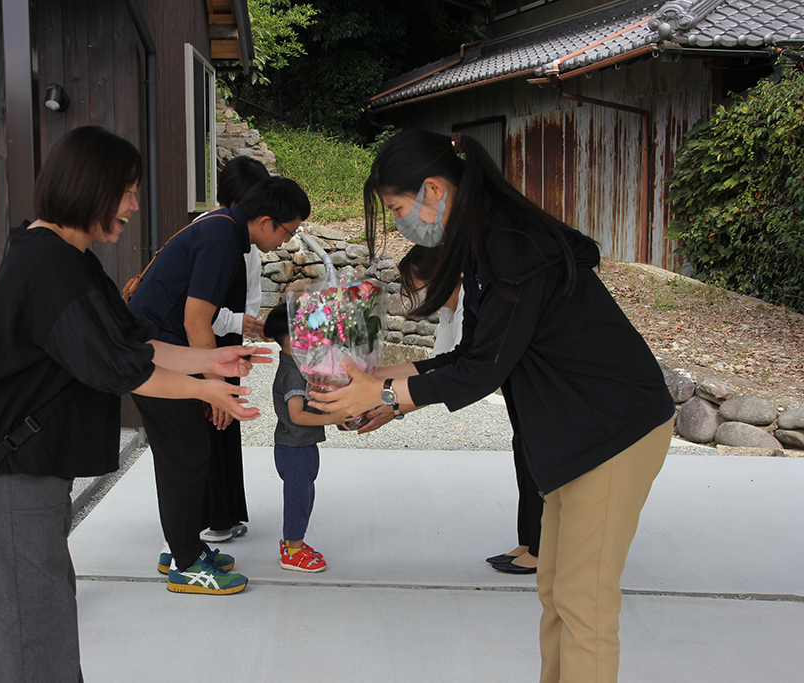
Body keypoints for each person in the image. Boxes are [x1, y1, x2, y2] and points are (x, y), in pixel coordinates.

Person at [313, 129, 675, 683]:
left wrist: (386, 395)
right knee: (558, 587)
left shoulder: (510, 244)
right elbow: (473, 353)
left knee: (584, 602)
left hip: (613, 433)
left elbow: (484, 370)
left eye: (397, 208)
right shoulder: (487, 241)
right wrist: (387, 379)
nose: (399, 223)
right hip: (579, 437)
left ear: (433, 189)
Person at [0, 126, 270, 683]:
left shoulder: (65, 255)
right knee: (26, 639)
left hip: (27, 474)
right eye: (126, 190)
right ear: (89, 186)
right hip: (5, 475)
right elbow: (120, 367)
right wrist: (203, 389)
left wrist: (210, 362)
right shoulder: (47, 265)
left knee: (40, 626)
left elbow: (134, 341)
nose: (134, 204)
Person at [128, 176, 310, 594]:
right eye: (287, 230)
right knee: (186, 454)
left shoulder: (221, 229)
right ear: (265, 221)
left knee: (188, 452)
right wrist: (217, 389)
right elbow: (197, 319)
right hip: (155, 355)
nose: (285, 240)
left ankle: (182, 547)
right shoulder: (221, 240)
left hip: (159, 351)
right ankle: (185, 562)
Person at [400, 246, 539, 575]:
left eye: (415, 286)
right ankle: (531, 540)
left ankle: (544, 548)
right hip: (520, 390)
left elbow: (466, 376)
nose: (414, 296)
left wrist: (389, 402)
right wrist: (379, 383)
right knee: (524, 453)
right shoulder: (451, 309)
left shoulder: (469, 303)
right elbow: (441, 364)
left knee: (537, 456)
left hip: (535, 387)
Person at [201, 155, 272, 543]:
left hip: (228, 342)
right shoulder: (211, 233)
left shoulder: (248, 241)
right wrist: (236, 325)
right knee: (211, 423)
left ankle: (225, 513)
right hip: (201, 345)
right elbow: (196, 312)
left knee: (226, 426)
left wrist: (241, 343)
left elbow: (250, 300)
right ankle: (208, 518)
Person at [263, 303, 349, 572]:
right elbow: (297, 415)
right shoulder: (291, 373)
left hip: (301, 445)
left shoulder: (299, 367)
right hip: (295, 447)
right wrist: (333, 418)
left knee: (305, 495)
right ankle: (292, 551)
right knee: (298, 498)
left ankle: (294, 544)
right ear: (291, 337)